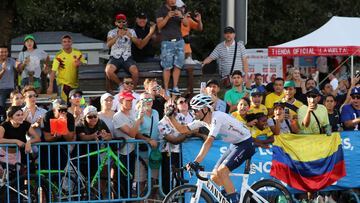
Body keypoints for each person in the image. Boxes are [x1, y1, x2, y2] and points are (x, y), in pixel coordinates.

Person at [168, 94, 255, 202]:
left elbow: (208, 142)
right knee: (215, 176)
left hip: (246, 143)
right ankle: (231, 197)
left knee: (222, 171)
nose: (194, 113)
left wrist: (196, 161)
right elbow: (182, 129)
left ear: (205, 109)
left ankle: (234, 200)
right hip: (235, 144)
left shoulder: (216, 118)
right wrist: (170, 117)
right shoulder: (202, 121)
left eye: (196, 110)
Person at [105, 13, 156, 91]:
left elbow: (139, 44)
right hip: (115, 57)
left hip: (127, 57)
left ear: (126, 22)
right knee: (108, 70)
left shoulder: (131, 31)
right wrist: (117, 36)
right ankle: (121, 85)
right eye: (119, 21)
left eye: (123, 21)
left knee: (135, 71)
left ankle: (132, 90)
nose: (121, 23)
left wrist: (131, 37)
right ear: (116, 23)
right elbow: (108, 44)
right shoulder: (111, 32)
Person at [157, 100, 192, 194]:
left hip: (182, 153)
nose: (172, 109)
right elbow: (174, 140)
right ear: (164, 110)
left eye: (173, 107)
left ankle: (180, 199)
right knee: (169, 178)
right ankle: (169, 198)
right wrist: (186, 134)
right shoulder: (161, 123)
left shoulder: (181, 116)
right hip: (168, 154)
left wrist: (186, 132)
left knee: (181, 177)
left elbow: (188, 129)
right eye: (169, 107)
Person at [112, 90, 143, 198]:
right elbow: (132, 133)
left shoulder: (133, 113)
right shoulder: (117, 116)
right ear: (121, 101)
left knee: (129, 179)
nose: (130, 102)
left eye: (131, 100)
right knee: (120, 182)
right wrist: (138, 121)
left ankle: (128, 199)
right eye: (128, 100)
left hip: (131, 152)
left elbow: (138, 132)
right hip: (121, 153)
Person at [156, 0, 188, 96]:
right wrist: (168, 17)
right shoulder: (161, 10)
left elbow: (186, 24)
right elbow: (159, 26)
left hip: (179, 41)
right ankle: (166, 89)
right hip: (167, 42)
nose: (174, 1)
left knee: (178, 65)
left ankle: (175, 86)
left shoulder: (179, 9)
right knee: (167, 66)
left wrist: (181, 16)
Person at [76, 105, 111, 182]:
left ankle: (93, 194)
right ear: (85, 117)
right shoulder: (80, 123)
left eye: (95, 116)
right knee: (82, 180)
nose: (93, 119)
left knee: (94, 179)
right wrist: (93, 136)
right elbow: (82, 137)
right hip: (81, 155)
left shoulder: (101, 122)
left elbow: (110, 136)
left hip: (95, 154)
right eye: (90, 117)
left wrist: (105, 136)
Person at [134, 92, 159, 198]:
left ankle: (151, 200)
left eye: (149, 100)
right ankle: (141, 201)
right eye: (144, 100)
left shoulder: (156, 112)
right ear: (140, 101)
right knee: (141, 181)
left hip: (154, 152)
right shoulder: (137, 114)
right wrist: (148, 140)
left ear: (152, 102)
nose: (147, 102)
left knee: (155, 180)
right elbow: (135, 133)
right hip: (141, 152)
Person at [47, 35, 86, 102]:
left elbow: (85, 65)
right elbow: (53, 71)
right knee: (64, 104)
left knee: (76, 103)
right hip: (63, 84)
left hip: (76, 84)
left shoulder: (78, 53)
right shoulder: (59, 55)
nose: (67, 43)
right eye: (64, 42)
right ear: (62, 44)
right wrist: (50, 86)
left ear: (71, 42)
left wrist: (80, 63)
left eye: (68, 41)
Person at [41, 99, 76, 170]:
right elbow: (47, 138)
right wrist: (55, 137)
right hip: (48, 148)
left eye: (65, 110)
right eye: (60, 110)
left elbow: (69, 139)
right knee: (48, 171)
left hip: (62, 148)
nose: (63, 113)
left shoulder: (69, 116)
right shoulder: (47, 116)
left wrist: (64, 123)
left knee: (60, 171)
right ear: (54, 110)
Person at [178, 1, 203, 95]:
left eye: (183, 7)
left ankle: (190, 91)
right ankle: (176, 91)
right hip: (175, 48)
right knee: (175, 69)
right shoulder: (172, 18)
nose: (182, 9)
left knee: (190, 69)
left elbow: (199, 28)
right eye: (180, 7)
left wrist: (199, 20)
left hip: (186, 49)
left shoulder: (187, 18)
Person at [0, 45, 19, 122]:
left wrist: (19, 65)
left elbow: (19, 68)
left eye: (5, 52)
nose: (3, 53)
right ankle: (3, 122)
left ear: (8, 52)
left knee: (17, 103)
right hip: (1, 89)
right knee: (2, 106)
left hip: (11, 88)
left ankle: (15, 120)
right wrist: (3, 70)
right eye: (1, 52)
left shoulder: (11, 60)